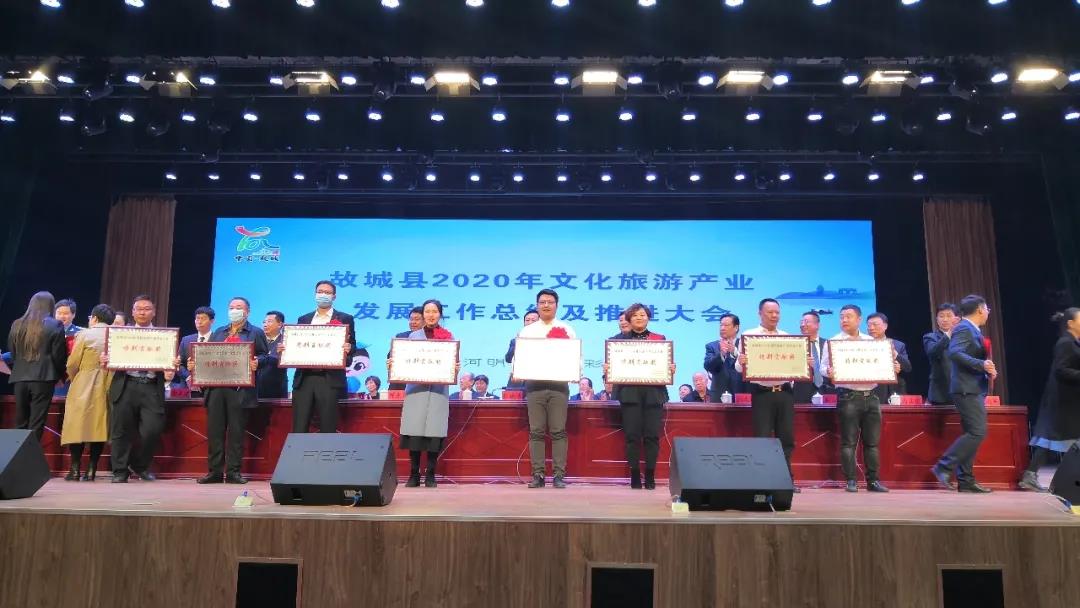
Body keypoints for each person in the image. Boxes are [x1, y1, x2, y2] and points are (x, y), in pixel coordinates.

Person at [193, 297, 269, 484]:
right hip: (216, 389)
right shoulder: (219, 331)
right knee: (215, 432)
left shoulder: (255, 332)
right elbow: (209, 355)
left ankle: (234, 472)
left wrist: (257, 362)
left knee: (236, 433)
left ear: (247, 312)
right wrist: (195, 364)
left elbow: (265, 356)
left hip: (240, 390)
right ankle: (215, 472)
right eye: (231, 307)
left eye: (239, 307)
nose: (235, 310)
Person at [103, 294, 179, 483]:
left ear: (154, 312)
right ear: (133, 312)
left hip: (151, 387)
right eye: (139, 309)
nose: (143, 312)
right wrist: (105, 360)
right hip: (126, 385)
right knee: (121, 431)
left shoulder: (164, 337)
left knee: (152, 430)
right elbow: (109, 360)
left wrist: (173, 364)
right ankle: (120, 471)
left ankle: (140, 466)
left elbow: (170, 365)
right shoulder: (121, 335)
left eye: (147, 309)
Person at [821, 304, 895, 493]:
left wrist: (892, 366)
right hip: (848, 396)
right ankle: (851, 480)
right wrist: (829, 371)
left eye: (848, 316)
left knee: (872, 443)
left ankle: (873, 481)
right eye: (841, 317)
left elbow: (883, 365)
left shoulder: (871, 342)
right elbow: (822, 368)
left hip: (871, 396)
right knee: (849, 442)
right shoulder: (833, 342)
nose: (844, 320)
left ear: (859, 319)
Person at [931, 295, 997, 494]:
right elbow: (955, 353)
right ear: (980, 309)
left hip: (972, 387)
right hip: (966, 388)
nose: (988, 313)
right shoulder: (964, 328)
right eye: (987, 309)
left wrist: (987, 368)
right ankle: (943, 466)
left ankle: (966, 480)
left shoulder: (972, 329)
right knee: (978, 432)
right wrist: (981, 364)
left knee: (972, 433)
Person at [389, 299, 458, 488]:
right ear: (423, 314)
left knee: (434, 432)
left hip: (438, 391)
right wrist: (394, 364)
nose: (431, 315)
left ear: (440, 314)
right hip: (416, 391)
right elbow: (402, 362)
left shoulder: (449, 338)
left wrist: (454, 367)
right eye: (427, 311)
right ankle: (414, 474)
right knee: (414, 432)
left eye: (434, 311)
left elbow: (452, 364)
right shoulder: (412, 337)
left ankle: (431, 474)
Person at [606, 302, 675, 489]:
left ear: (648, 318)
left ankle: (650, 475)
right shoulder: (617, 341)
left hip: (654, 394)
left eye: (643, 315)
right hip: (630, 394)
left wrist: (670, 369)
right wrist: (608, 370)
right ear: (629, 319)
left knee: (652, 436)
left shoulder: (659, 339)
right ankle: (635, 475)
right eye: (635, 315)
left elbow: (665, 366)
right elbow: (610, 372)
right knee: (632, 436)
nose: (639, 318)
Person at [736, 298, 802, 488]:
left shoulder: (787, 337)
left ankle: (786, 479)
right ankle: (763, 480)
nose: (774, 316)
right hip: (762, 393)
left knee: (786, 438)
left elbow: (794, 366)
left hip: (785, 393)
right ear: (760, 314)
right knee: (762, 438)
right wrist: (741, 361)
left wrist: (804, 364)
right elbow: (739, 368)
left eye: (777, 312)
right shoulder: (749, 336)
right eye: (770, 312)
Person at [518, 288, 578, 489]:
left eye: (550, 302)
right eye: (542, 302)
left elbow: (576, 356)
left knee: (558, 431)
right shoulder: (528, 331)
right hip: (534, 386)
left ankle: (559, 475)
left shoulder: (566, 329)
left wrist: (576, 372)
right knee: (536, 431)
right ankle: (538, 475)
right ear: (537, 305)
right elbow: (519, 356)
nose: (546, 305)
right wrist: (517, 370)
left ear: (556, 305)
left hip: (559, 386)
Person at [1019, 309, 1080, 492]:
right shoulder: (1065, 343)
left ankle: (1033, 476)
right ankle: (1030, 475)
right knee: (1050, 438)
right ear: (1071, 323)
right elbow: (1061, 370)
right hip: (1062, 400)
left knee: (1057, 439)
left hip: (1069, 400)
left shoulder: (1073, 342)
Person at [285, 280, 355, 433]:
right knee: (299, 427)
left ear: (334, 296)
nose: (323, 295)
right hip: (304, 379)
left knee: (328, 427)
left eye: (327, 292)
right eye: (320, 292)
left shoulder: (345, 318)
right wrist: (286, 350)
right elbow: (296, 345)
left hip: (329, 379)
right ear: (315, 294)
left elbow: (352, 348)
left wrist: (348, 350)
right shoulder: (304, 319)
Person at [60, 304, 116, 481]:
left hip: (84, 380)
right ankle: (92, 469)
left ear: (95, 318)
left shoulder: (84, 334)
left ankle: (75, 469)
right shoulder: (116, 336)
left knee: (77, 425)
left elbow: (72, 363)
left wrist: (74, 377)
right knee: (99, 426)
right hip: (108, 383)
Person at [7, 291, 67, 442]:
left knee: (20, 421)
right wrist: (60, 376)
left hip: (19, 378)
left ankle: (17, 455)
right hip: (43, 378)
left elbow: (13, 353)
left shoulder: (17, 324)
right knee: (37, 422)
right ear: (51, 306)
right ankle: (29, 455)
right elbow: (59, 356)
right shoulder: (55, 325)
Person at [867, 312, 911, 402]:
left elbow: (908, 368)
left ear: (885, 326)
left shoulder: (898, 345)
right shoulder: (862, 346)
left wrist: (895, 355)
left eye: (875, 324)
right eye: (869, 325)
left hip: (895, 392)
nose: (871, 328)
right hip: (871, 393)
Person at [924, 303, 960, 405]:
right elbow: (932, 352)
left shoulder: (962, 337)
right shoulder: (930, 337)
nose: (945, 319)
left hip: (962, 390)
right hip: (940, 393)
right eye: (941, 316)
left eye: (949, 316)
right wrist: (949, 334)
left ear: (956, 319)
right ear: (936, 319)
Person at [794, 311, 833, 403]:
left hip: (827, 391)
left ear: (817, 325)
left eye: (806, 322)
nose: (803, 325)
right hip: (802, 392)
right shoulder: (795, 345)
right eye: (801, 322)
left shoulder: (828, 344)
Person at [174, 306, 215, 392]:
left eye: (203, 319)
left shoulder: (218, 340)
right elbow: (179, 364)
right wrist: (189, 377)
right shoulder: (186, 340)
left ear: (212, 321)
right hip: (188, 388)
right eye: (197, 318)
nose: (199, 322)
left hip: (211, 389)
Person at [703, 313, 743, 400]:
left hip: (741, 393)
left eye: (726, 325)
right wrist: (721, 355)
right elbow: (708, 366)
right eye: (721, 325)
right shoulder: (712, 346)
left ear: (736, 327)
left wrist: (735, 352)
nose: (722, 328)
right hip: (718, 394)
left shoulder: (744, 345)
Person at [387, 306, 424, 391]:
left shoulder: (431, 340)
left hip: (420, 384)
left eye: (417, 319)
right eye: (411, 319)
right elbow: (390, 357)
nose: (413, 322)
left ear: (425, 321)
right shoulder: (401, 337)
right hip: (399, 384)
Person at [504, 309, 540, 392]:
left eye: (533, 320)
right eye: (527, 320)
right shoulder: (515, 340)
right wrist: (518, 342)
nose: (530, 322)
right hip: (516, 383)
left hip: (536, 383)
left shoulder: (546, 340)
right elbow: (508, 359)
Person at [53, 299, 83, 398]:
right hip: (51, 376)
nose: (62, 316)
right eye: (59, 313)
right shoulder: (48, 331)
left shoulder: (80, 333)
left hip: (70, 377)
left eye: (66, 313)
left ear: (73, 315)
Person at [257, 311, 288, 399]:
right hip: (256, 390)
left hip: (277, 389)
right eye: (264, 322)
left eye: (269, 321)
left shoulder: (286, 341)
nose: (265, 325)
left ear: (280, 325)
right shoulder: (257, 340)